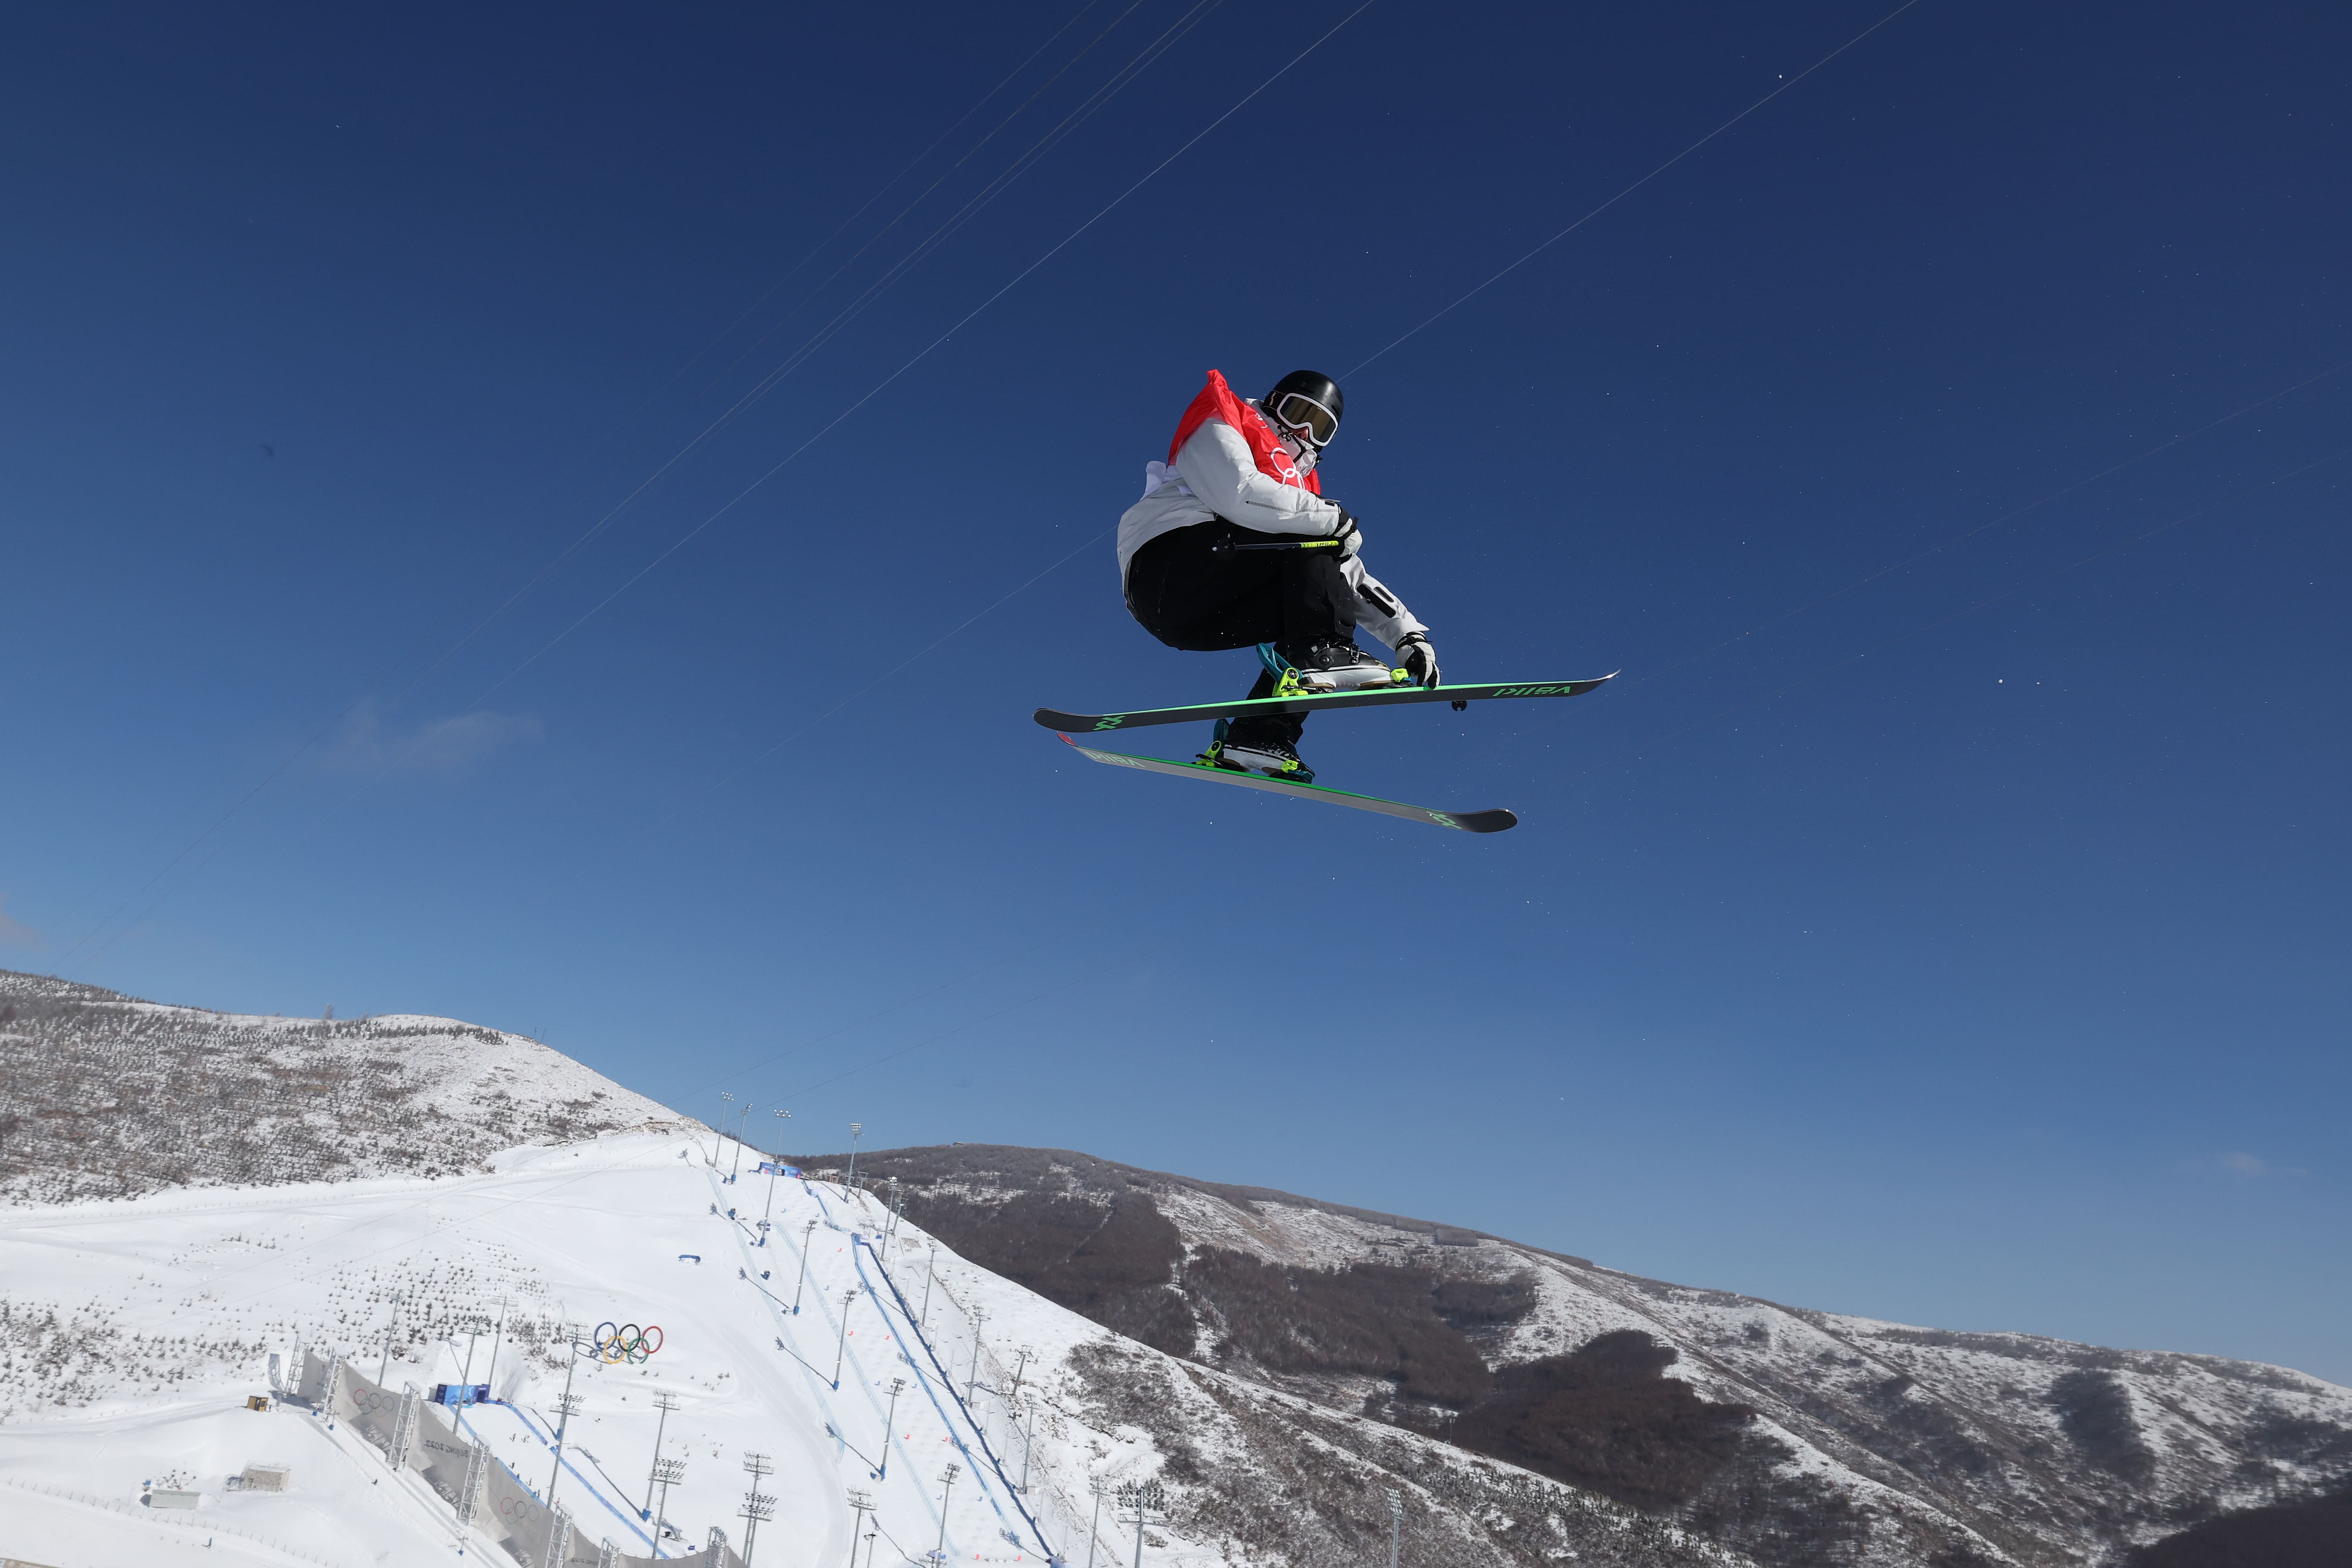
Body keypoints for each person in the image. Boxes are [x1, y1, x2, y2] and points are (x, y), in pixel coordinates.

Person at [1118, 368, 1437, 783]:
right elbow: (1239, 493)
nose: (1303, 430)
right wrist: (1332, 520)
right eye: (1298, 412)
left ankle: (1260, 733)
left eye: (1320, 427)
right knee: (1314, 541)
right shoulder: (1225, 419)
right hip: (1169, 569)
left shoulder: (1300, 493)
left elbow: (1345, 578)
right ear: (1272, 402)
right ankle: (1324, 653)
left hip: (1200, 617)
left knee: (1313, 599)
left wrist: (1406, 636)